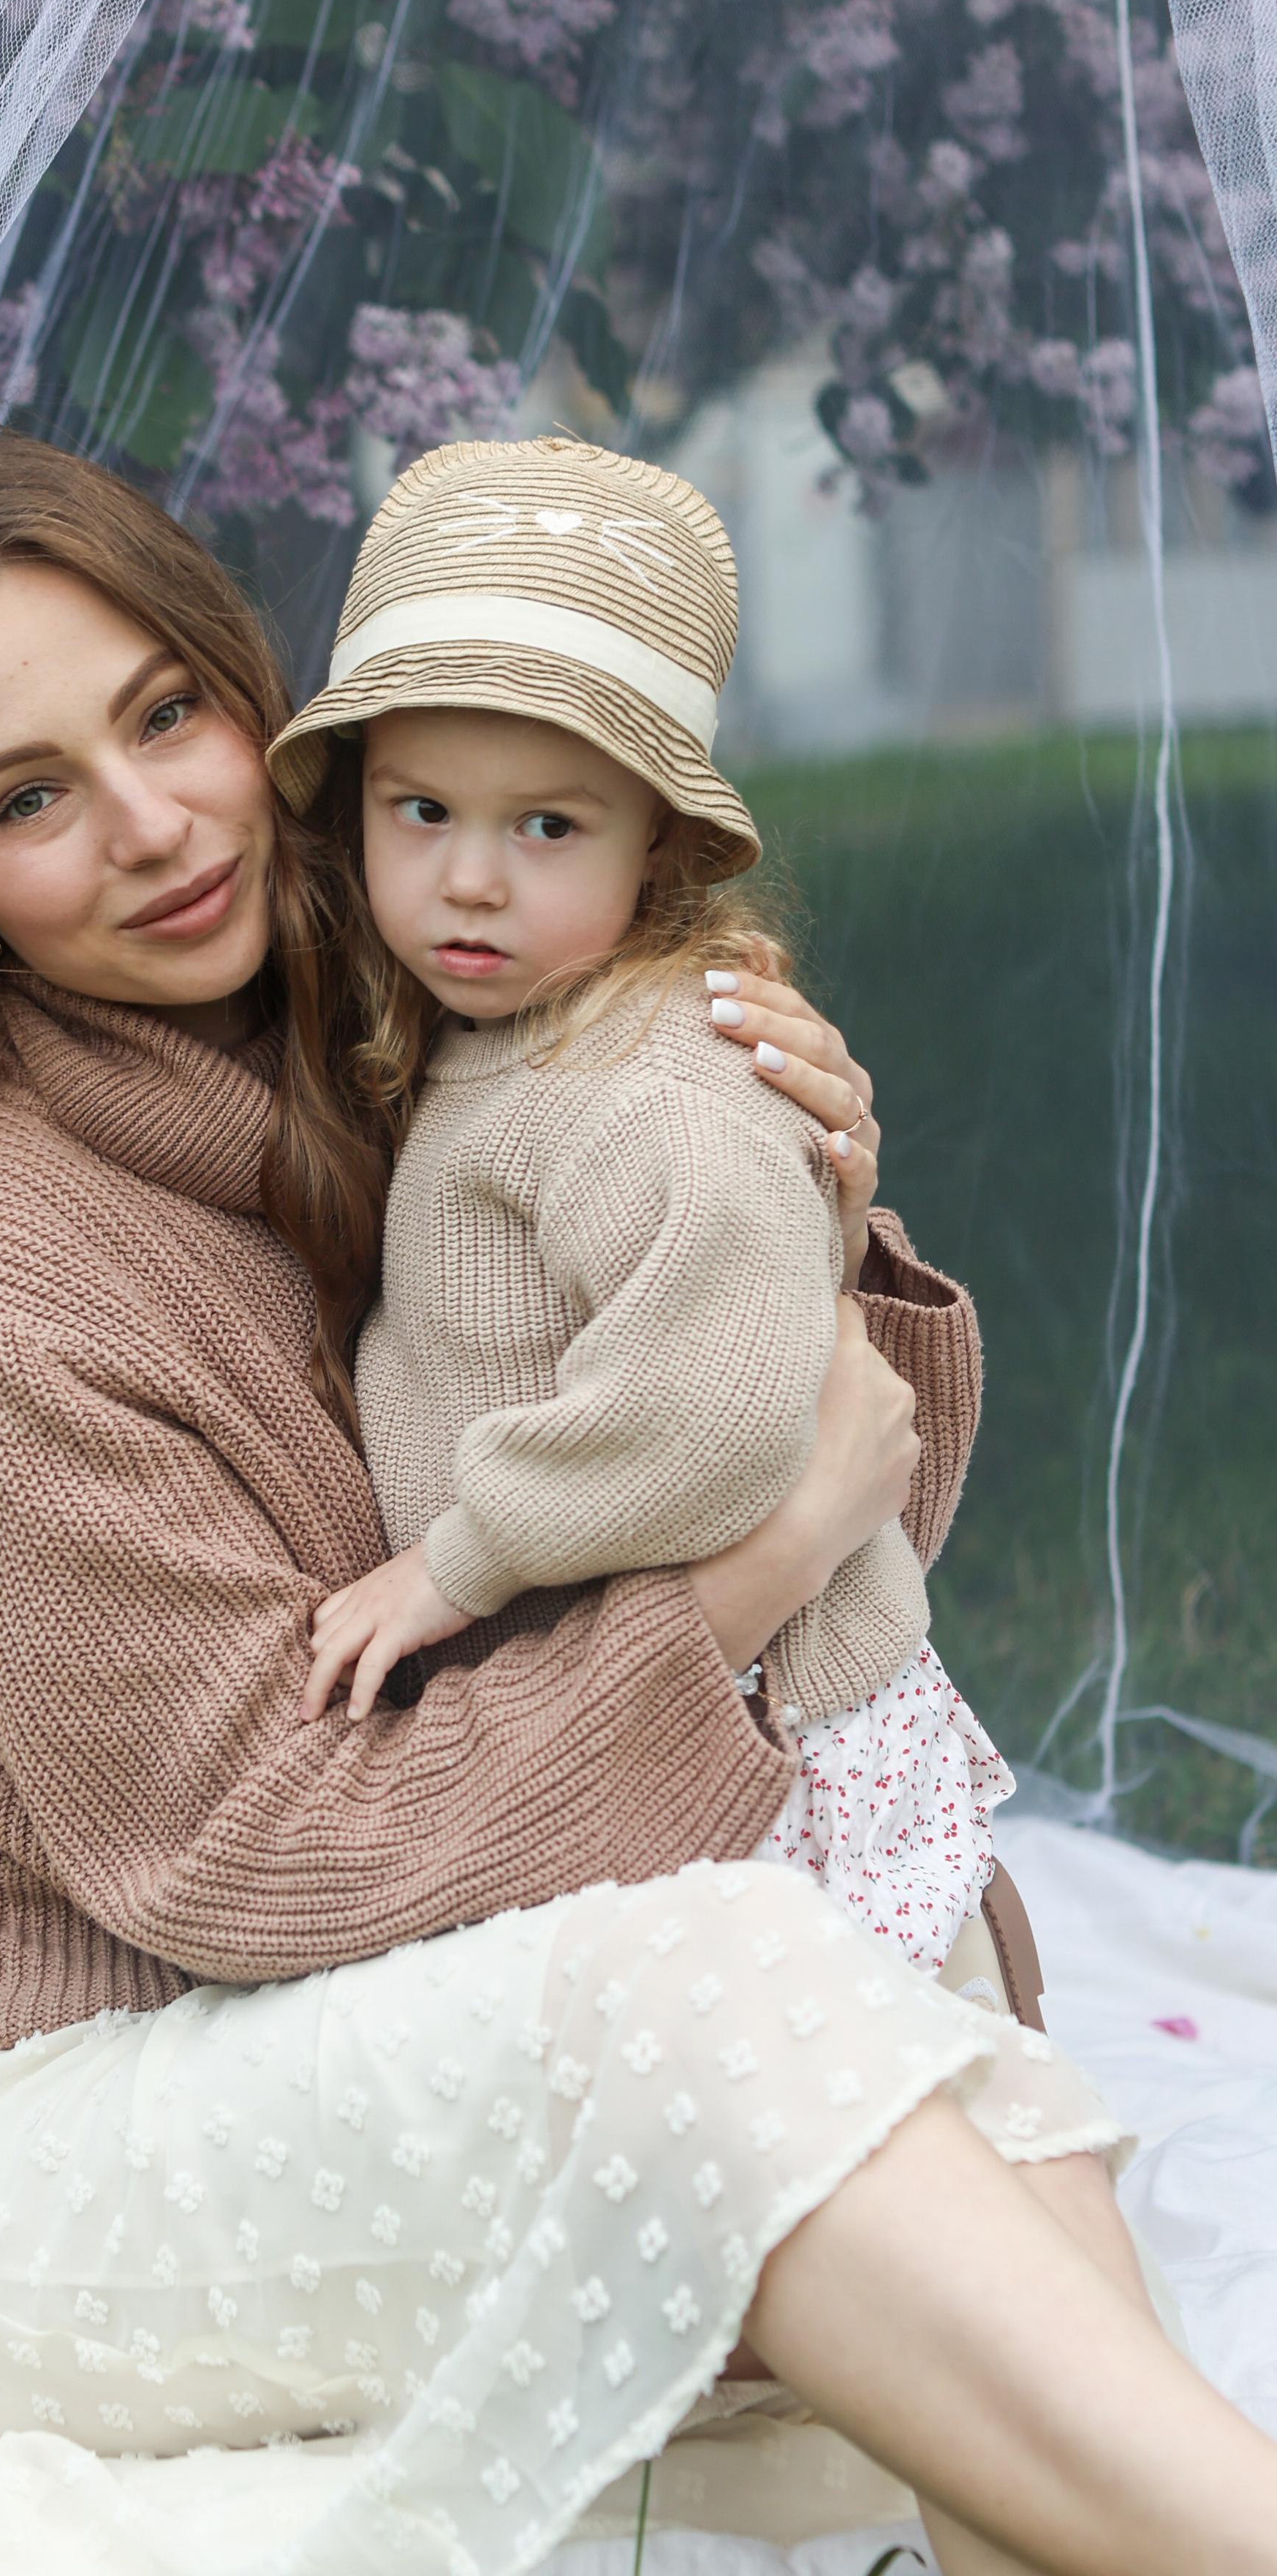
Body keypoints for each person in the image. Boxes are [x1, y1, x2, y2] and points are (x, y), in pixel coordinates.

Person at [0, 431, 1277, 2576]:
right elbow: (257, 1843)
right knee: (712, 2003)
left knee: (916, 1967)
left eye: (165, 718)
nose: (151, 827)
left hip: (379, 1989)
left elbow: (780, 1515)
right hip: (77, 2134)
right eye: (30, 798)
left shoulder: (403, 1036)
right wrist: (749, 1565)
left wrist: (802, 1218)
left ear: (256, 704)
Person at [286, 437, 1008, 1981]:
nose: (468, 882)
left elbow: (717, 1406)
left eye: (546, 828)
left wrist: (455, 1563)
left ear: (656, 853)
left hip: (779, 1737)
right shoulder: (501, 1042)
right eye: (420, 811)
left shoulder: (649, 1082)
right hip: (679, 1694)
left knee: (865, 2083)